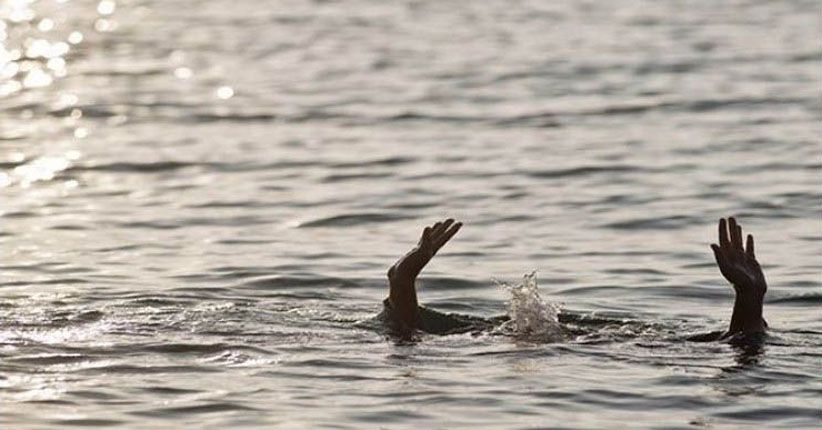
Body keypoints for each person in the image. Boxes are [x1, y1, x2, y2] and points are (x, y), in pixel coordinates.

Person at [380, 217, 768, 340]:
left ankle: (748, 301)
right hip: (591, 347)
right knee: (723, 347)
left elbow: (406, 325)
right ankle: (748, 301)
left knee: (718, 347)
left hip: (582, 347)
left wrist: (406, 275)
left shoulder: (462, 338)